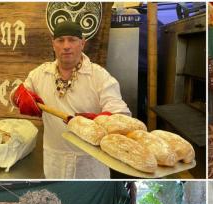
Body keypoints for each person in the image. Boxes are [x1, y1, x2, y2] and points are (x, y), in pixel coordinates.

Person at [12, 21, 131, 178]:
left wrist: (100, 120)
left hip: (91, 164)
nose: (66, 46)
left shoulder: (99, 76)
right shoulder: (40, 74)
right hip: (54, 160)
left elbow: (122, 114)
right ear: (53, 44)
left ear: (82, 43)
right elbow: (15, 95)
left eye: (72, 40)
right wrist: (20, 97)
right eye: (60, 40)